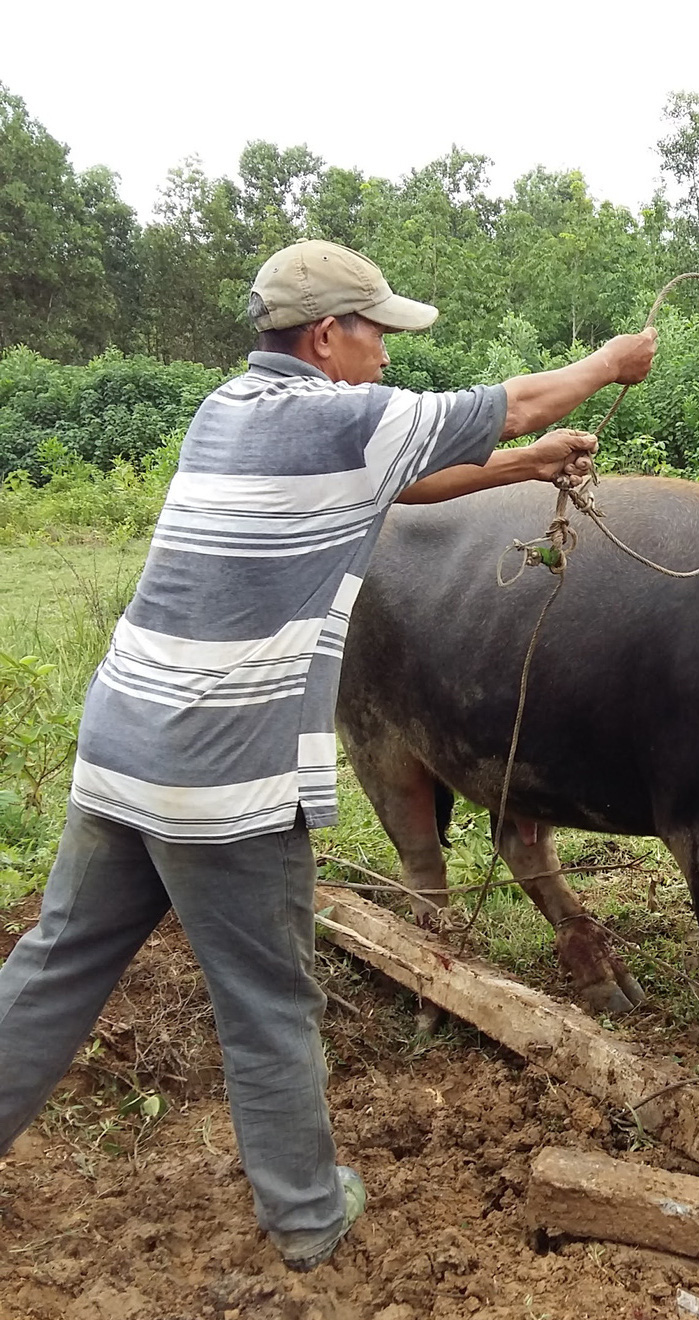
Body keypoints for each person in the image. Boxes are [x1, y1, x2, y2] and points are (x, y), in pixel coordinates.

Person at [0, 239, 656, 1271]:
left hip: (123, 744)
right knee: (266, 1002)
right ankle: (310, 1217)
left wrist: (526, 471)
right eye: (378, 332)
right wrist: (610, 363)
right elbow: (517, 400)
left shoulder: (230, 411)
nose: (389, 353)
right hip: (224, 773)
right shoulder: (345, 415)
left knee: (53, 965)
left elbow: (395, 485)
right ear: (325, 336)